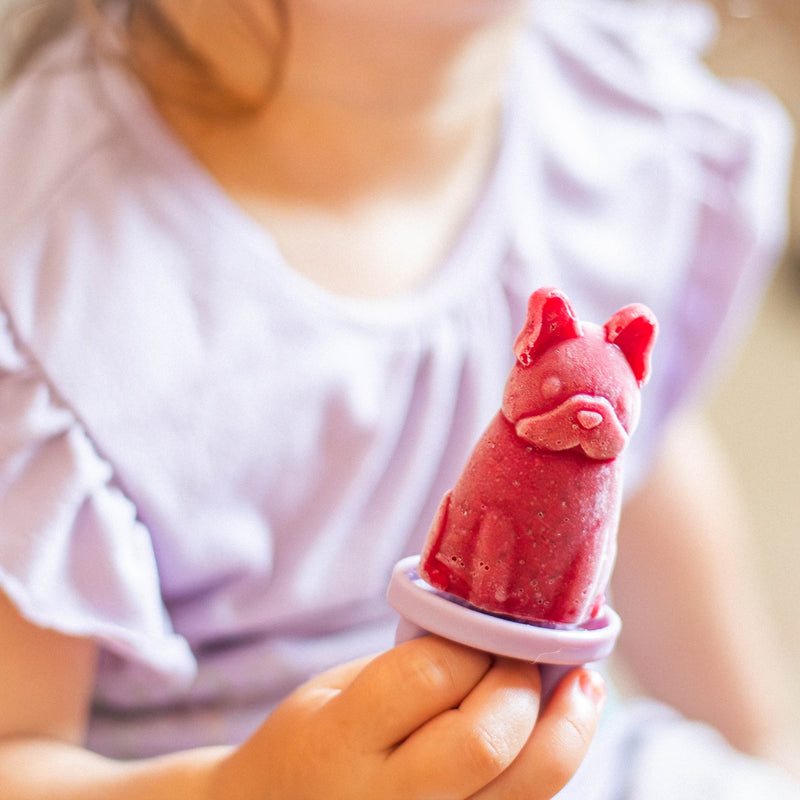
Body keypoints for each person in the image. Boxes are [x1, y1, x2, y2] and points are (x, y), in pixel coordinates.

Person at [0, 0, 797, 798]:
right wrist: (245, 788)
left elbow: (636, 472)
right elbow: (17, 753)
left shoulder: (612, 108)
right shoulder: (50, 287)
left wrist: (759, 750)